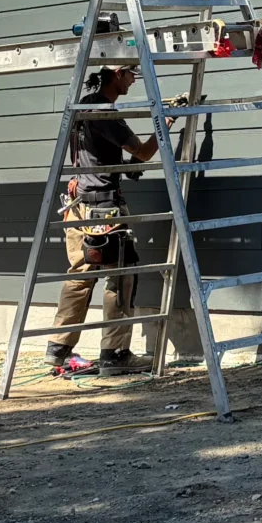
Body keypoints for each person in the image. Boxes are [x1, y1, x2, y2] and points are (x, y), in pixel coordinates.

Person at [48, 65, 157, 377]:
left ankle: (58, 348)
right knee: (121, 276)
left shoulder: (82, 105)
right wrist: (166, 122)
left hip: (78, 204)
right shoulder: (105, 112)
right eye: (131, 74)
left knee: (79, 276)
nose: (134, 79)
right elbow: (143, 152)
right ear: (117, 74)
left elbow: (92, 155)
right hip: (104, 209)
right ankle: (115, 353)